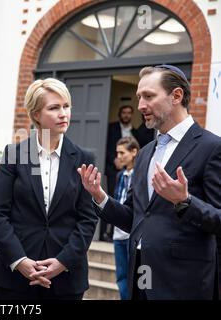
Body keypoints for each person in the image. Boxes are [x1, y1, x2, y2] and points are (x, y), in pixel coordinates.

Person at [78, 65, 221, 299]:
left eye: (149, 96)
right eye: (139, 97)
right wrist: (100, 197)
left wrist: (185, 202)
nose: (140, 106)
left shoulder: (212, 147)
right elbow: (135, 217)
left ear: (176, 96)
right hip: (141, 278)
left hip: (185, 284)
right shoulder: (145, 153)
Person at [0, 78, 98, 300]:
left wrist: (63, 262)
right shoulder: (14, 155)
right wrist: (20, 261)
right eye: (54, 108)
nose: (63, 114)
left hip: (66, 280)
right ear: (36, 114)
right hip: (14, 279)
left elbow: (87, 219)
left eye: (66, 106)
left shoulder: (85, 158)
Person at [103, 105, 138, 241]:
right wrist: (114, 159)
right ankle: (107, 233)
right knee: (111, 199)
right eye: (124, 113)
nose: (126, 115)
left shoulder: (135, 131)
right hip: (113, 170)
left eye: (129, 113)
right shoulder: (112, 128)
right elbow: (105, 146)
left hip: (129, 234)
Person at [112, 136, 139, 300]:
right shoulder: (120, 176)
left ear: (134, 152)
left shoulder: (142, 174)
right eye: (117, 153)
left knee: (135, 278)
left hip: (133, 234)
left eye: (122, 153)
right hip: (118, 234)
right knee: (121, 277)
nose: (119, 156)